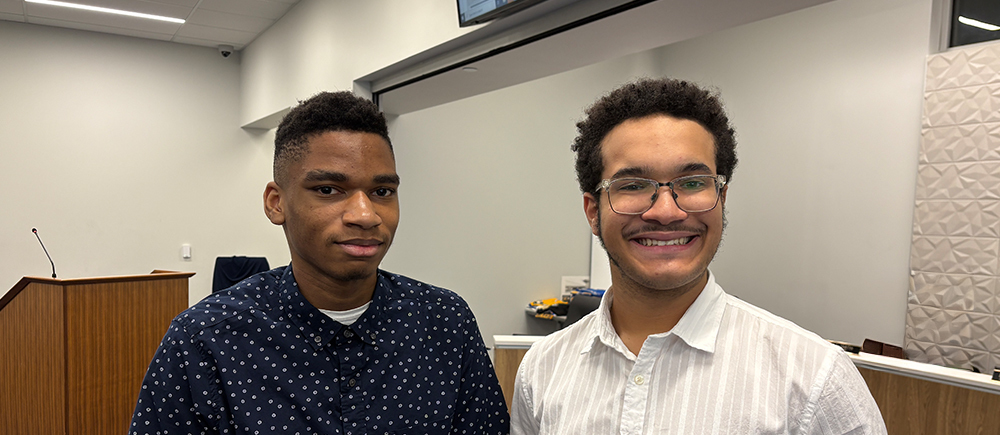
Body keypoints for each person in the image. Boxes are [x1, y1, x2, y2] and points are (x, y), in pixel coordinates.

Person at [510, 78, 886, 434]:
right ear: (593, 211)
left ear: (721, 199)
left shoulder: (815, 381)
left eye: (692, 183)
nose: (666, 211)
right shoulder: (542, 370)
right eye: (633, 185)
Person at [130, 91, 509, 435]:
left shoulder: (445, 323)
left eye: (382, 192)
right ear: (276, 203)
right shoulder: (204, 341)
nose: (365, 214)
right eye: (328, 190)